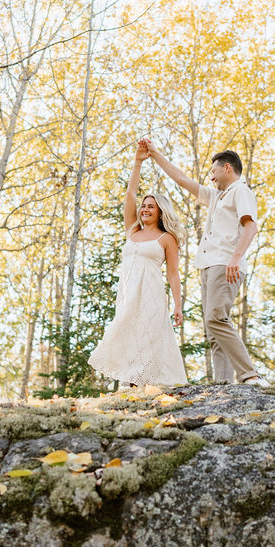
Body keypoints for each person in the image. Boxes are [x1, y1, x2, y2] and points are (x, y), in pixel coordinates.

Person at [139, 139, 270, 386]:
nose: (211, 178)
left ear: (227, 168)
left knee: (216, 319)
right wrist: (155, 154)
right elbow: (183, 181)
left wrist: (236, 257)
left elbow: (251, 226)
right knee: (214, 329)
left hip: (226, 263)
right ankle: (223, 384)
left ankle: (250, 375)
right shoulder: (218, 196)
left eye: (214, 171)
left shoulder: (240, 191)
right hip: (210, 265)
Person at [88, 143, 187, 387]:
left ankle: (149, 382)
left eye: (150, 206)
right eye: (144, 206)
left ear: (160, 212)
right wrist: (138, 163)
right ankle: (129, 380)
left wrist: (177, 305)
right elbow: (130, 196)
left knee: (150, 336)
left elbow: (173, 274)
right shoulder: (132, 230)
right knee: (126, 331)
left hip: (151, 294)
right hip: (127, 292)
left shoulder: (167, 239)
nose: (144, 209)